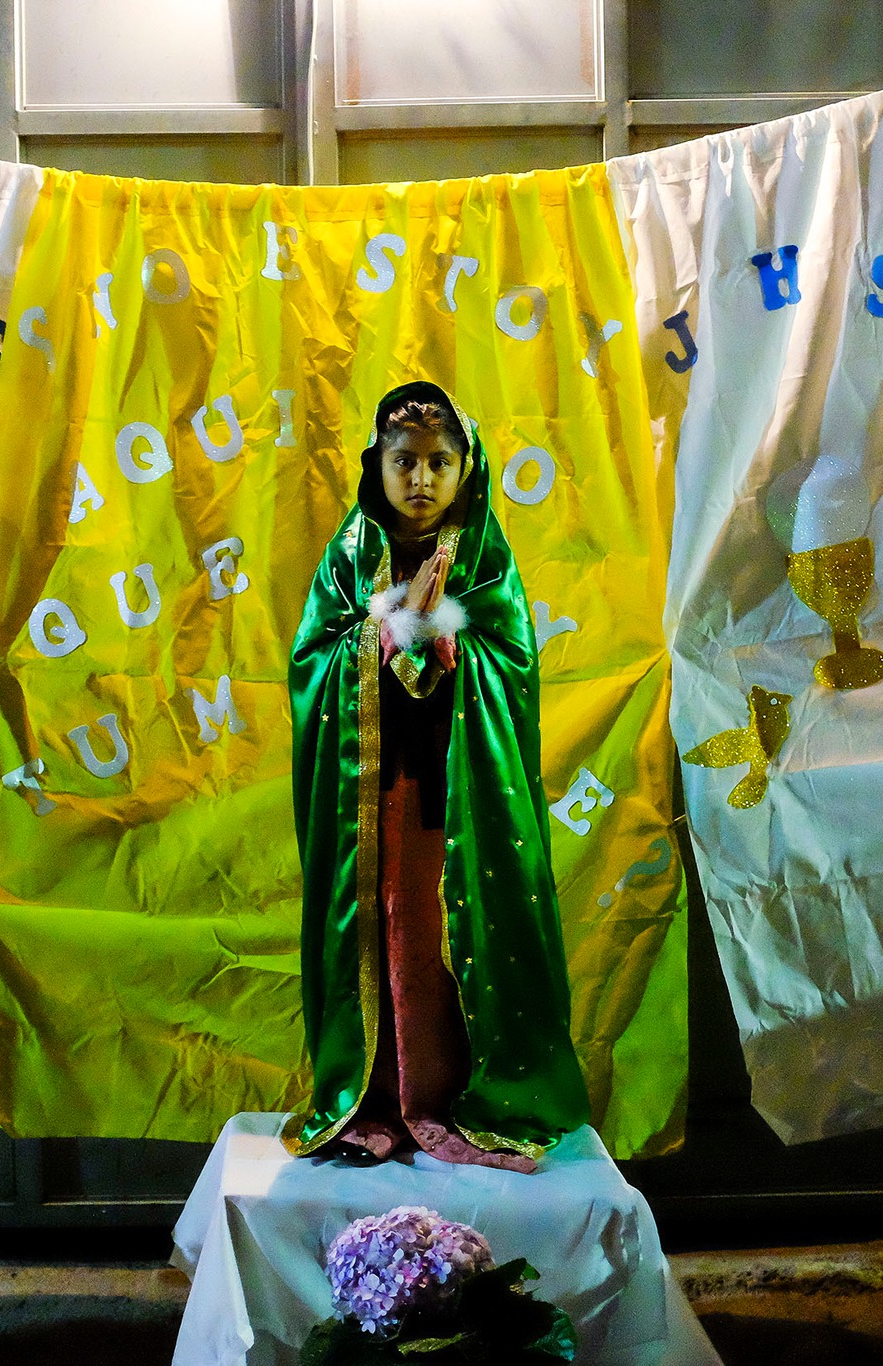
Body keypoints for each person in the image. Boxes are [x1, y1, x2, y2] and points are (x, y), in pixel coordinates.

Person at [283, 381, 589, 1173]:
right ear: (375, 467)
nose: (420, 479)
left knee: (441, 937)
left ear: (466, 469)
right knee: (381, 935)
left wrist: (449, 648)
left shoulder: (487, 559)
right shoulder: (348, 558)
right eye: (404, 461)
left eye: (438, 462)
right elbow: (311, 661)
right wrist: (375, 642)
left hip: (454, 799)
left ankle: (450, 1097)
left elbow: (512, 662)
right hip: (374, 798)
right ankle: (375, 1098)